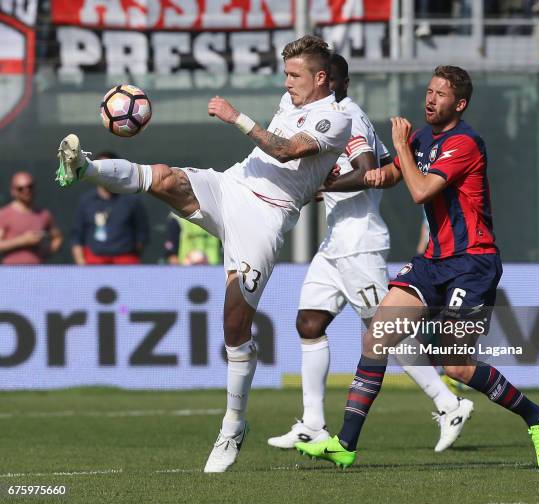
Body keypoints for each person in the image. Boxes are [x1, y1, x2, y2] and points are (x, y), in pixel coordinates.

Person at [54, 35, 352, 473]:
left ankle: (233, 424)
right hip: (232, 185)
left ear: (321, 78)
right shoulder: (294, 101)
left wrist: (236, 117)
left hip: (263, 220)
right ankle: (85, 167)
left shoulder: (335, 118)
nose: (286, 82)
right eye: (286, 74)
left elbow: (288, 152)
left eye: (294, 75)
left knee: (234, 326)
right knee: (164, 178)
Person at [296, 65, 539, 469]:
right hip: (433, 262)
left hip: (473, 264)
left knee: (457, 364)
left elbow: (420, 191)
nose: (430, 99)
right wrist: (328, 185)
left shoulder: (465, 143)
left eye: (441, 94)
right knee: (376, 339)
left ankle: (537, 416)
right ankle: (345, 444)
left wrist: (400, 145)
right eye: (429, 91)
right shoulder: (419, 137)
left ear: (460, 103)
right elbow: (385, 177)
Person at [268, 54, 473, 453]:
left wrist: (323, 187)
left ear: (336, 83)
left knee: (385, 335)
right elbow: (382, 168)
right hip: (336, 242)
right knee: (309, 323)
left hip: (359, 242)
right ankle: (312, 423)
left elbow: (365, 173)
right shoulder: (326, 115)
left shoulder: (348, 115)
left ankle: (449, 404)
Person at [71, 151, 149, 265]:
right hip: (94, 262)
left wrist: (130, 257)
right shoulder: (86, 202)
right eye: (100, 168)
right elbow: (76, 236)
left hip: (125, 261)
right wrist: (82, 264)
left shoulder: (132, 201)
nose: (104, 173)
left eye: (108, 168)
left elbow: (142, 234)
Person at [0, 171, 63, 264]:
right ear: (13, 191)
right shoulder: (4, 214)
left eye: (30, 187)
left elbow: (57, 237)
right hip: (11, 273)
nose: (26, 191)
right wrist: (22, 240)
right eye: (20, 188)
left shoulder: (44, 214)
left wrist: (47, 250)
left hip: (38, 273)